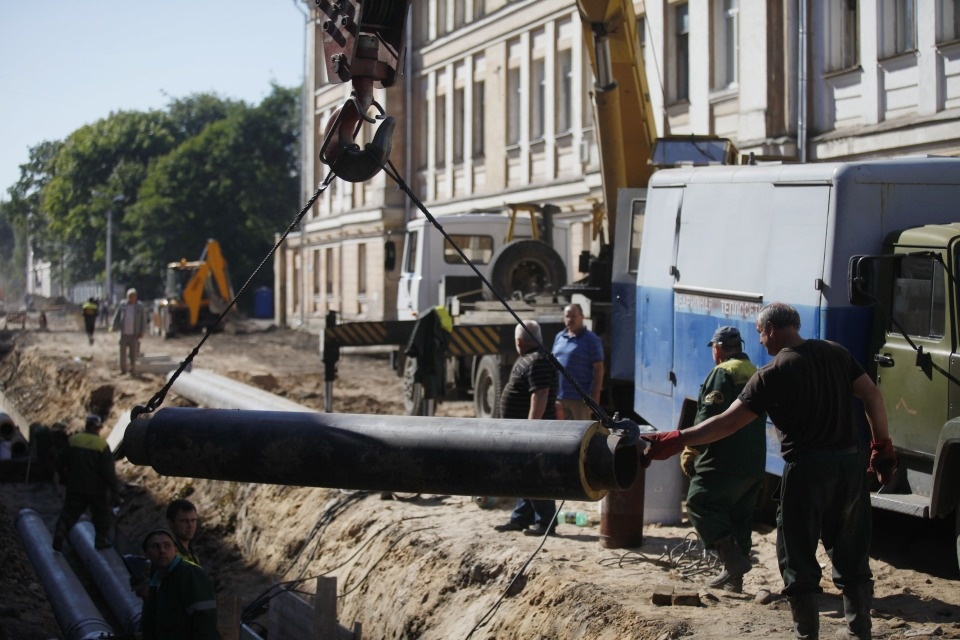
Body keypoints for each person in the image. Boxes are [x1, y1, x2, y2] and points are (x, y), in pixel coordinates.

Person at [643, 303, 898, 640]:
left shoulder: (773, 374)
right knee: (852, 552)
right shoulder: (836, 352)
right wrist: (881, 445)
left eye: (761, 334)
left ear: (772, 330)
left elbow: (725, 424)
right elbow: (872, 395)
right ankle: (859, 632)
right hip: (849, 467)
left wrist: (676, 439)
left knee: (798, 558)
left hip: (807, 471)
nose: (760, 342)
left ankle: (806, 635)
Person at [681, 326, 766, 593]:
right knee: (739, 515)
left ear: (716, 349)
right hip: (753, 461)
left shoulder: (722, 373)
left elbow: (710, 416)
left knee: (699, 501)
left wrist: (692, 449)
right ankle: (734, 581)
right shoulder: (755, 371)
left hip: (722, 458)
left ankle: (732, 563)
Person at [493, 320, 559, 537]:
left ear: (519, 341)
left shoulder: (538, 360)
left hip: (533, 433)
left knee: (536, 475)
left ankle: (546, 522)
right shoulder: (531, 358)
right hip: (525, 430)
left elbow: (540, 394)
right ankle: (521, 518)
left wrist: (530, 430)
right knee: (524, 474)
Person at [52, 415, 119, 551]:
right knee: (101, 516)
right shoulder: (102, 445)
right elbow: (108, 472)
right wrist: (114, 490)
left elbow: (59, 462)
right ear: (97, 428)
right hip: (97, 490)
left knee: (69, 513)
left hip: (75, 487)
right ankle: (100, 541)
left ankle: (60, 534)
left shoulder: (73, 440)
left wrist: (64, 478)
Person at [140, 527, 220, 640]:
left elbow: (205, 620)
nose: (162, 550)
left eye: (167, 545)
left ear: (175, 550)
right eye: (155, 546)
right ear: (147, 553)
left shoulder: (190, 573)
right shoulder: (157, 580)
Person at [552, 303, 604, 420]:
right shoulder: (559, 337)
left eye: (573, 316)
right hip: (560, 399)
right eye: (567, 316)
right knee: (561, 435)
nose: (570, 319)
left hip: (580, 400)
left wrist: (595, 399)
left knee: (582, 436)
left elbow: (599, 369)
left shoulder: (592, 340)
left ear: (582, 317)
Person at [112, 288, 147, 375]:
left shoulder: (140, 307)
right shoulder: (123, 305)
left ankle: (132, 369)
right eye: (129, 296)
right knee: (122, 353)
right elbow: (117, 316)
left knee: (133, 353)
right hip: (123, 333)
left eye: (132, 296)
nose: (131, 298)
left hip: (134, 334)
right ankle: (123, 369)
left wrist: (142, 331)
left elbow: (143, 320)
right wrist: (114, 326)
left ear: (135, 297)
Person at [167, 498, 201, 566]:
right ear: (171, 523)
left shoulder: (191, 554)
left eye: (193, 520)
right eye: (184, 521)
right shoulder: (169, 555)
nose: (190, 526)